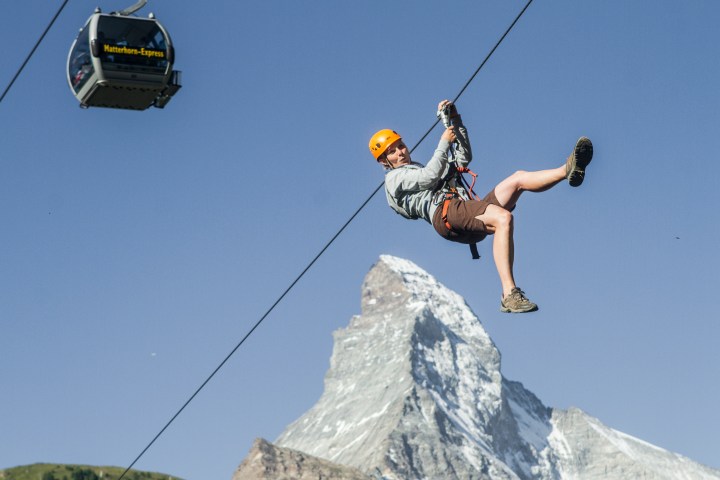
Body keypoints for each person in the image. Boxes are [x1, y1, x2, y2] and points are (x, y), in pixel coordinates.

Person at [369, 100, 593, 313]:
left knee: (518, 179)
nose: (400, 152)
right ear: (383, 161)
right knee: (503, 218)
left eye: (401, 146)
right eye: (392, 152)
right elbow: (429, 177)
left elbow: (463, 158)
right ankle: (509, 294)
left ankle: (567, 169)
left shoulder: (414, 168)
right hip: (445, 212)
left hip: (461, 208)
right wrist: (444, 142)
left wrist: (456, 121)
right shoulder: (394, 180)